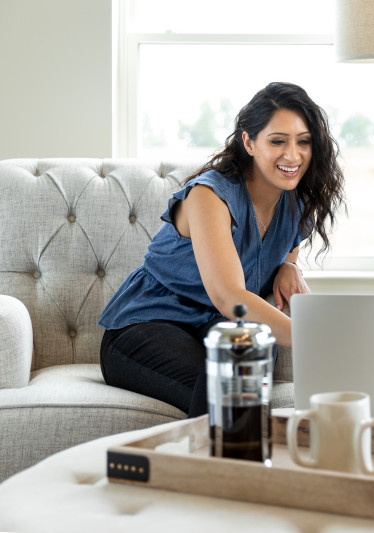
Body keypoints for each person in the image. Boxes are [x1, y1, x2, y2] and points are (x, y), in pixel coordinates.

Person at [99, 82, 345, 417]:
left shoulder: (297, 200)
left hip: (217, 326)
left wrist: (290, 266)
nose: (293, 155)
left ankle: (243, 466)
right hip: (148, 324)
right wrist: (317, 337)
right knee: (226, 386)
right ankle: (224, 470)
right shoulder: (208, 196)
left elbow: (286, 245)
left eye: (303, 142)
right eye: (277, 141)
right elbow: (230, 297)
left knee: (245, 366)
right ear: (249, 142)